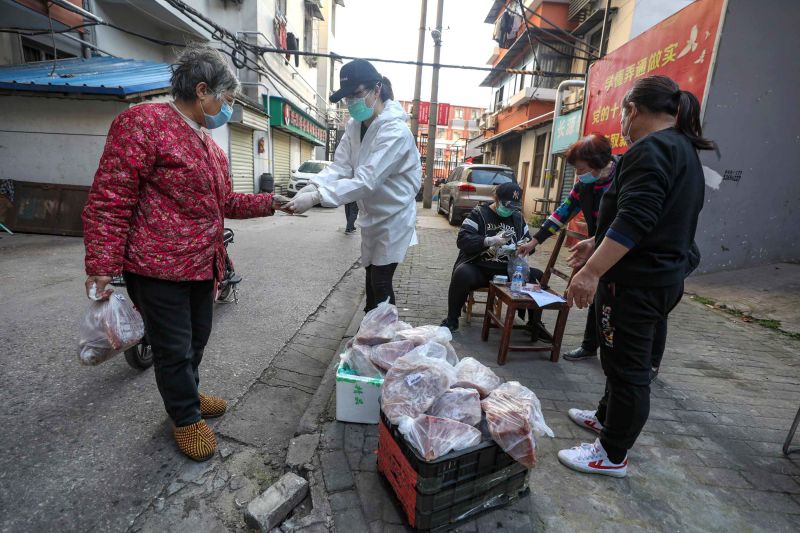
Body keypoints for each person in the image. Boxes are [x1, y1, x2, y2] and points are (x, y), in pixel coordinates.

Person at [82, 46, 282, 462]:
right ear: (202, 89)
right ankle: (185, 417)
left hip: (202, 265)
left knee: (197, 339)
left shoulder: (209, 146)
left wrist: (274, 202)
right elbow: (110, 197)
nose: (226, 108)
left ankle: (185, 391)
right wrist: (101, 263)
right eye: (225, 100)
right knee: (173, 347)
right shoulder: (143, 123)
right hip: (157, 266)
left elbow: (225, 202)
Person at [557, 75, 717, 477]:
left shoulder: (652, 150)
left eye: (624, 113)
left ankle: (611, 454)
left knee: (628, 370)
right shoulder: (680, 149)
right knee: (619, 360)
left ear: (631, 109)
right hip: (658, 277)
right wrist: (595, 241)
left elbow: (636, 218)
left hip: (636, 284)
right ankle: (605, 419)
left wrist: (591, 272)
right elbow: (649, 216)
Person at [285, 59, 420, 311]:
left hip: (394, 218)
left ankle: (382, 337)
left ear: (376, 89)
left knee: (380, 283)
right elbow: (340, 168)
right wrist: (313, 186)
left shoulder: (395, 132)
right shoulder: (354, 126)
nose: (352, 103)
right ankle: (372, 335)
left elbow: (367, 181)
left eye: (357, 94)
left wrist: (317, 198)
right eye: (348, 98)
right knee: (370, 279)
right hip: (371, 217)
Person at [517, 134, 617, 362]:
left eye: (580, 169)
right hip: (597, 242)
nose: (578, 175)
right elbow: (564, 211)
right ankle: (590, 345)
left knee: (617, 301)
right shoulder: (584, 184)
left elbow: (628, 219)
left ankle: (641, 360)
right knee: (598, 294)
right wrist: (535, 240)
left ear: (598, 163)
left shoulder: (623, 178)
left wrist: (597, 241)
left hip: (621, 245)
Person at [440, 182, 548, 336]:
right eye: (506, 205)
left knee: (538, 277)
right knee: (462, 273)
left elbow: (530, 245)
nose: (509, 210)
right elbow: (463, 240)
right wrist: (488, 241)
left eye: (513, 207)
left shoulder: (518, 218)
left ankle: (534, 323)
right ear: (496, 199)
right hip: (481, 269)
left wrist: (522, 247)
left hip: (509, 271)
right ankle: (451, 320)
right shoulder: (478, 214)